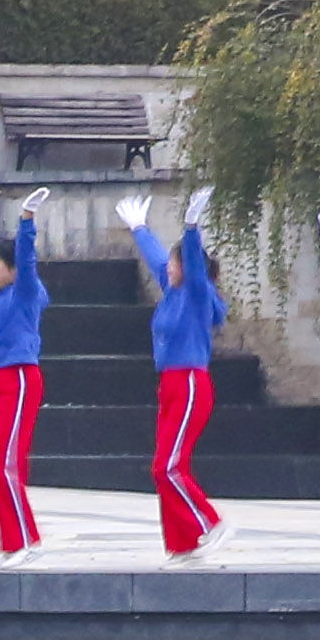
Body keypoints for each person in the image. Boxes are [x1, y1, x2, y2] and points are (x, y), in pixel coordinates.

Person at [118, 187, 228, 562]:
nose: (168, 265)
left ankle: (209, 522)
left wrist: (192, 226)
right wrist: (138, 228)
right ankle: (181, 544)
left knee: (167, 466)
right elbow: (154, 259)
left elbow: (194, 265)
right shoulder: (171, 289)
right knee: (164, 468)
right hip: (168, 384)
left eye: (175, 262)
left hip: (191, 383)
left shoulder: (197, 293)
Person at [0, 182, 51, 563]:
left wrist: (27, 220)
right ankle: (10, 541)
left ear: (13, 270)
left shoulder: (23, 292)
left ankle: (23, 542)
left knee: (7, 464)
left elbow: (26, 257)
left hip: (19, 377)